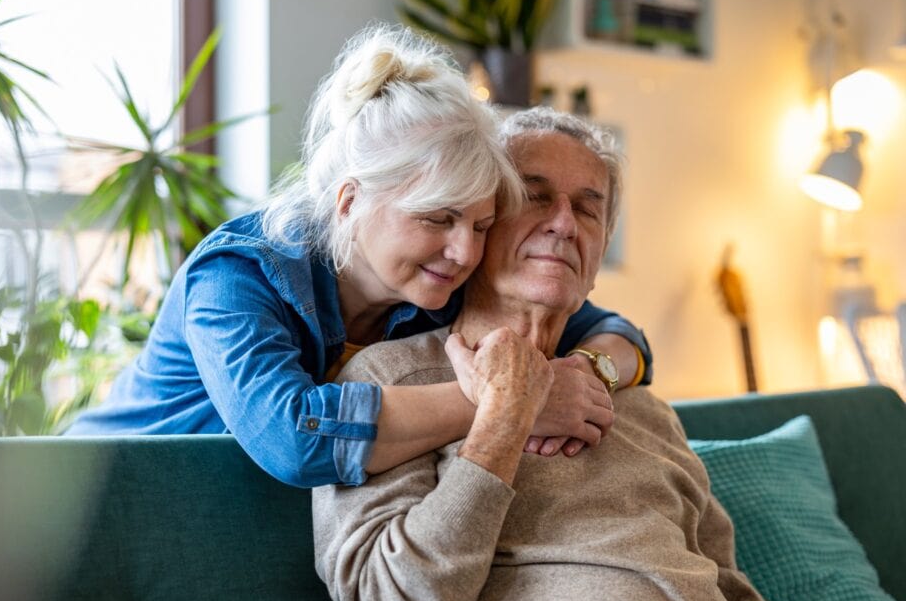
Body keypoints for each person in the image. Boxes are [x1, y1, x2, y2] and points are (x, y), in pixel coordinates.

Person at [313, 108, 825, 601]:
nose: (564, 224)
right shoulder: (387, 387)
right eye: (534, 197)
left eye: (588, 208)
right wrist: (503, 418)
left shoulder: (640, 406)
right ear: (478, 227)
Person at [69, 25, 652, 488]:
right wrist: (513, 403)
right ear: (350, 201)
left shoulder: (437, 285)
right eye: (436, 219)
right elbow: (295, 437)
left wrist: (589, 370)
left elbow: (616, 332)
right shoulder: (237, 274)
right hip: (99, 502)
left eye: (481, 225)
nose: (465, 250)